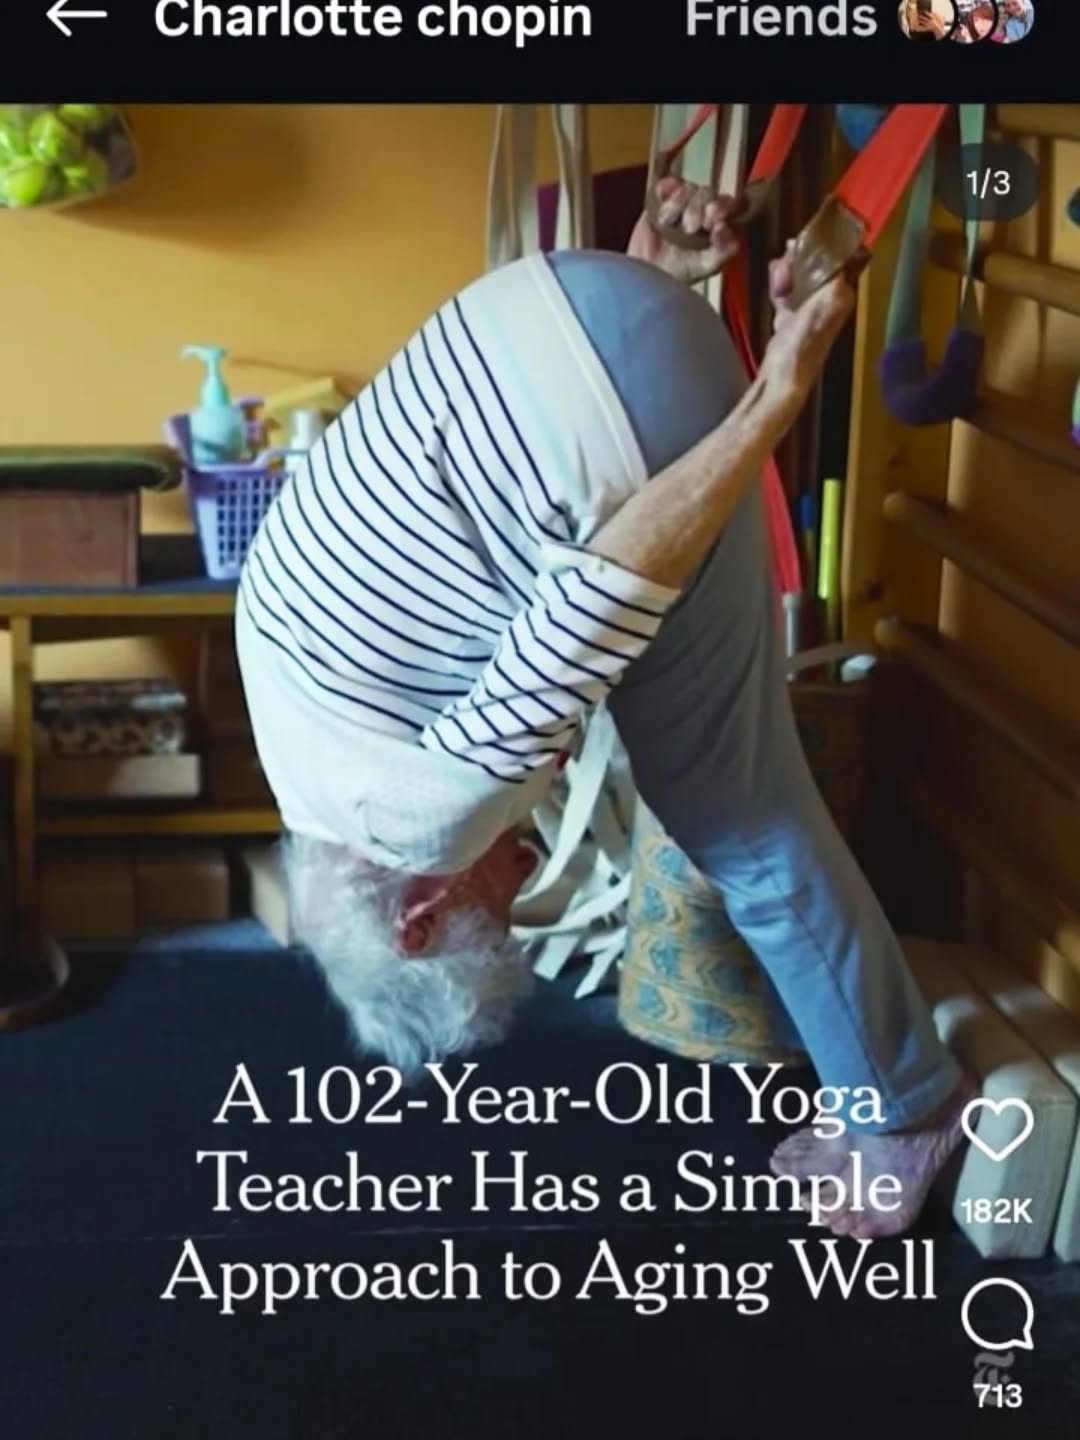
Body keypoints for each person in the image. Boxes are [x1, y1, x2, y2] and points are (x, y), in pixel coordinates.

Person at [235, 171, 976, 1241]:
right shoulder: (293, 743)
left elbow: (606, 589)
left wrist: (773, 394)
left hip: (630, 398)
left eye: (497, 911)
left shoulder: (419, 818)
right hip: (560, 295)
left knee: (736, 816)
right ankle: (879, 1077)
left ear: (418, 913)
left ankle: (904, 1112)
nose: (526, 870)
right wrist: (651, 281)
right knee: (683, 746)